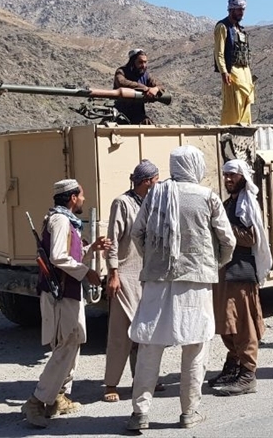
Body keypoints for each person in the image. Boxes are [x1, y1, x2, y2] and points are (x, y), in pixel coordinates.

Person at [125, 146, 235, 432]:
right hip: (195, 282)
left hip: (156, 281)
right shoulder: (207, 196)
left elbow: (137, 233)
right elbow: (228, 240)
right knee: (195, 346)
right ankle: (189, 412)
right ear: (195, 166)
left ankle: (140, 413)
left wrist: (154, 258)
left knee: (150, 347)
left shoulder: (155, 195)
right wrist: (213, 263)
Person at [21, 179, 110, 428]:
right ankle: (37, 401)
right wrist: (86, 272)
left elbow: (71, 253)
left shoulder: (66, 220)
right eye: (81, 195)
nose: (83, 199)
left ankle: (57, 397)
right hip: (59, 295)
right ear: (72, 197)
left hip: (69, 292)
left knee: (73, 341)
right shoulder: (60, 220)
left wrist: (91, 248)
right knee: (65, 346)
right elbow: (58, 257)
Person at [209, 159, 272, 396]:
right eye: (225, 175)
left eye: (232, 175)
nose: (228, 179)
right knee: (227, 323)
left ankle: (247, 374)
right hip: (225, 272)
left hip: (241, 274)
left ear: (243, 177)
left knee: (244, 326)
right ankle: (234, 365)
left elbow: (250, 238)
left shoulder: (247, 204)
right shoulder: (229, 203)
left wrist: (222, 226)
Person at [103, 160, 160, 403]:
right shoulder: (122, 203)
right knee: (120, 335)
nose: (158, 184)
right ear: (146, 181)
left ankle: (144, 379)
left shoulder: (152, 203)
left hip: (146, 277)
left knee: (146, 334)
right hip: (125, 277)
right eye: (155, 180)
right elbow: (112, 241)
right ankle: (111, 384)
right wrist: (113, 273)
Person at [214, 0, 255, 125]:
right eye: (239, 9)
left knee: (247, 100)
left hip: (245, 70)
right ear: (231, 9)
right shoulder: (222, 27)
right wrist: (224, 71)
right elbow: (219, 52)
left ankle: (245, 129)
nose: (241, 12)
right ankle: (230, 130)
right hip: (232, 71)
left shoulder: (241, 29)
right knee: (234, 103)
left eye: (243, 9)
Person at [114, 49, 165, 125]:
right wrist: (145, 88)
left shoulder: (146, 75)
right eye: (140, 62)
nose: (143, 65)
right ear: (132, 62)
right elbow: (121, 83)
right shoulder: (121, 72)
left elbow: (161, 86)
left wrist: (155, 89)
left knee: (147, 123)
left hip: (138, 114)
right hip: (120, 113)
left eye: (145, 62)